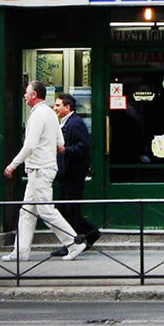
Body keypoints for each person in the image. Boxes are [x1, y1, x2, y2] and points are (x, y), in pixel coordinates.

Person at [3, 81, 86, 262]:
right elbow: (61, 143)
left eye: (26, 92)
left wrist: (12, 165)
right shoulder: (49, 113)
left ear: (34, 95)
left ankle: (74, 243)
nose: (24, 95)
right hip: (43, 168)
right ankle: (21, 252)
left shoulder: (37, 115)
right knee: (27, 211)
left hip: (39, 169)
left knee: (46, 211)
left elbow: (30, 145)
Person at [50, 93, 101, 257]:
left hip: (73, 174)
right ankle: (90, 233)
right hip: (67, 173)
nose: (55, 108)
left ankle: (72, 243)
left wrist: (66, 150)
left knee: (69, 209)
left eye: (58, 105)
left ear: (67, 107)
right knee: (67, 209)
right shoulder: (67, 122)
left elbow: (84, 147)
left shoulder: (75, 123)